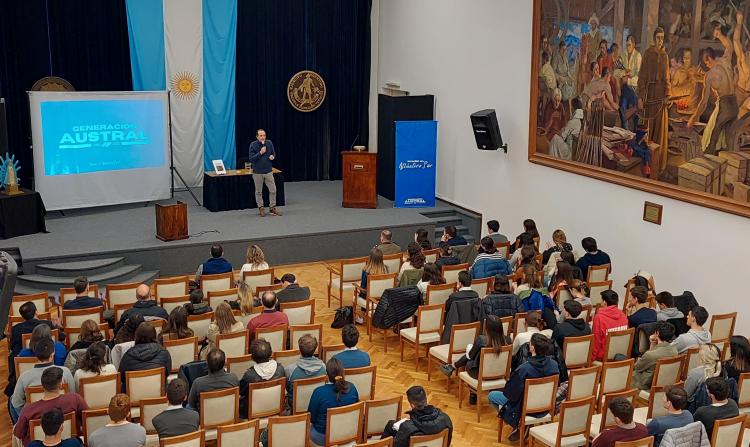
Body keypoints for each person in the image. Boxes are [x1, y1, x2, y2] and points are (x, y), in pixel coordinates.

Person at [490, 333, 559, 442]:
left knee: (492, 395)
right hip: (545, 407)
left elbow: (511, 395)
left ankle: (519, 423)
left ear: (532, 347)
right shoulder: (554, 365)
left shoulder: (524, 369)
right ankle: (523, 425)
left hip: (523, 407)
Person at [688, 29, 737, 154]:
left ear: (709, 58)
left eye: (706, 63)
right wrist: (720, 35)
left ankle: (708, 163)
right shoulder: (726, 60)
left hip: (725, 106)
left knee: (712, 137)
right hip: (734, 106)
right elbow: (729, 45)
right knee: (728, 138)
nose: (706, 66)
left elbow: (704, 102)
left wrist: (693, 118)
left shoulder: (709, 76)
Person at [441, 315, 509, 405]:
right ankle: (452, 367)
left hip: (479, 374)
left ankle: (472, 394)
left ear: (486, 327)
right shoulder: (508, 340)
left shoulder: (482, 340)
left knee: (470, 358)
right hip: (499, 373)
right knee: (475, 356)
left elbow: (469, 356)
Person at [14, 367, 88, 446]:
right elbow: (87, 418)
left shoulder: (28, 410)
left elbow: (18, 434)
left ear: (42, 386)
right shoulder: (75, 399)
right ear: (60, 384)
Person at [11, 338, 76, 422]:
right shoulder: (65, 372)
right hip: (62, 420)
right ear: (52, 355)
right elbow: (72, 395)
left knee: (12, 399)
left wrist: (29, 419)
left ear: (36, 355)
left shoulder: (24, 377)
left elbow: (16, 404)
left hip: (35, 422)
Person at [638, 27, 671, 174]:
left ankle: (658, 165)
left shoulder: (665, 56)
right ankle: (647, 163)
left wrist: (668, 95)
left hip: (661, 97)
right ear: (653, 38)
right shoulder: (648, 54)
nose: (660, 40)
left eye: (662, 38)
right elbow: (642, 77)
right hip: (650, 94)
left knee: (660, 130)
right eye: (658, 37)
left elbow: (667, 78)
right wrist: (640, 97)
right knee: (648, 128)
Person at [308, 358, 360, 445]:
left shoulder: (319, 392)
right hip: (348, 432)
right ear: (343, 373)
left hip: (322, 437)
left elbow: (311, 418)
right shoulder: (352, 388)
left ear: (327, 375)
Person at [383, 385, 453, 447]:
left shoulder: (407, 427)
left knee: (390, 426)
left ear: (412, 405)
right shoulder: (445, 418)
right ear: (426, 400)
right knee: (391, 424)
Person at [119, 322, 171, 390]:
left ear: (137, 336)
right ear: (154, 335)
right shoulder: (163, 352)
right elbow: (168, 372)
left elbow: (122, 378)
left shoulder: (127, 355)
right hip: (158, 392)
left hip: (133, 395)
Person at [240, 338, 285, 415]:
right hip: (274, 406)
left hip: (252, 411)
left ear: (252, 357)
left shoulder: (249, 375)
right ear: (270, 353)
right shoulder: (280, 369)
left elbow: (241, 392)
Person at [632, 322, 679, 390]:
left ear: (657, 333)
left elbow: (637, 367)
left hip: (644, 384)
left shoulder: (650, 355)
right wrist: (652, 344)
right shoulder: (675, 351)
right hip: (664, 382)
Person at [285, 334, 326, 406]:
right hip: (317, 404)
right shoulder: (323, 367)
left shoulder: (290, 370)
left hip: (295, 406)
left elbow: (288, 389)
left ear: (300, 350)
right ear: (315, 349)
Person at [248, 129, 281, 216]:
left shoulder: (269, 143)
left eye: (264, 135)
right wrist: (260, 152)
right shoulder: (253, 145)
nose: (263, 137)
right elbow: (251, 159)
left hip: (268, 171)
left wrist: (272, 156)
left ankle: (272, 207)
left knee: (273, 190)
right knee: (259, 191)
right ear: (257, 136)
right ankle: (261, 207)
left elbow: (273, 153)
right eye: (261, 136)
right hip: (257, 172)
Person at [592, 290, 629, 362]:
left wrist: (591, 360)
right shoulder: (623, 315)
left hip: (603, 357)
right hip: (621, 355)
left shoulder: (599, 318)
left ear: (605, 302)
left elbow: (596, 341)